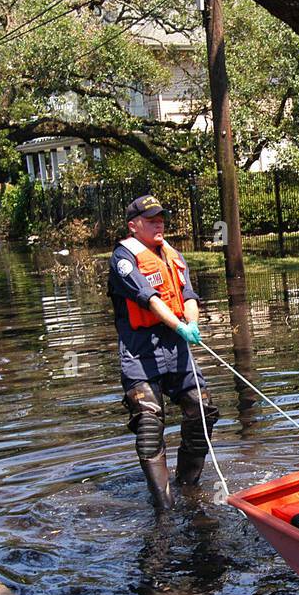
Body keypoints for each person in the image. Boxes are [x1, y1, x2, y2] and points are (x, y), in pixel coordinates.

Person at [108, 195, 219, 509]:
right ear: (134, 226)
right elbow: (149, 300)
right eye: (151, 220)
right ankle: (164, 504)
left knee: (203, 408)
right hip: (140, 351)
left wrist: (192, 324)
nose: (159, 224)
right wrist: (178, 325)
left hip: (176, 348)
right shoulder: (123, 259)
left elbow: (187, 294)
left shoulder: (172, 254)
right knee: (149, 419)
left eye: (161, 219)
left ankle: (188, 486)